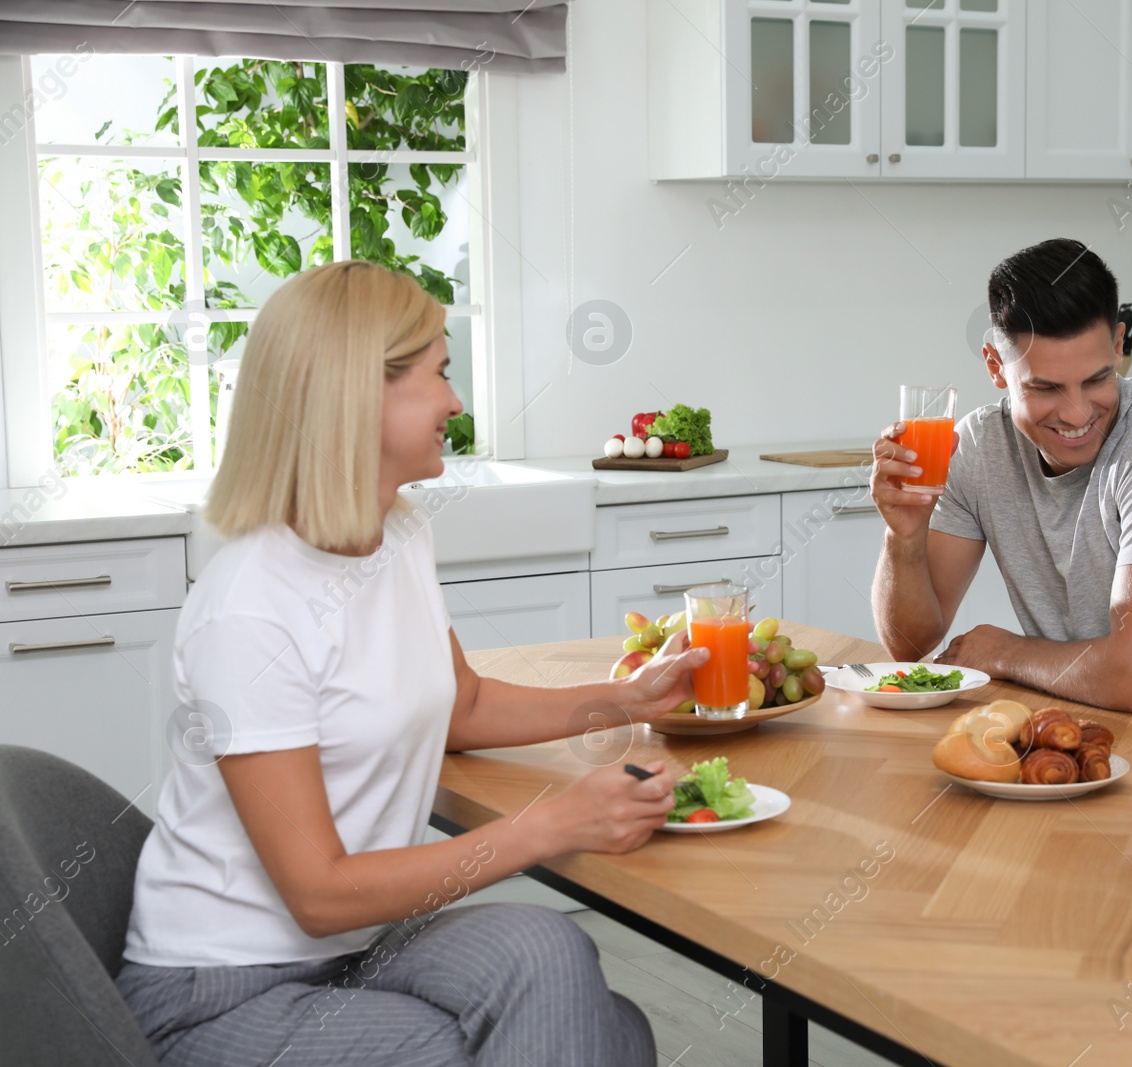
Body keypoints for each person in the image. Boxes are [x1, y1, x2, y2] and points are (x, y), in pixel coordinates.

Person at [116, 261, 706, 1066]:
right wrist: (549, 826)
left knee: (550, 951)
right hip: (219, 993)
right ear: (360, 394)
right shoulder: (251, 606)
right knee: (589, 1034)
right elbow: (319, 891)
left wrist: (631, 699)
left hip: (363, 949)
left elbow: (459, 705)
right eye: (438, 372)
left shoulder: (397, 533)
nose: (456, 403)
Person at [870, 238, 1132, 724]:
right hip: (1072, 731)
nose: (1078, 414)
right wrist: (903, 536)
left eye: (1097, 379)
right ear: (996, 367)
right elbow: (910, 646)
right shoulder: (976, 446)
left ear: (1119, 346)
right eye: (1046, 387)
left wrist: (1005, 652)